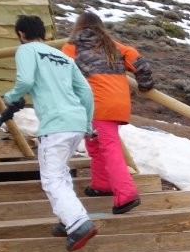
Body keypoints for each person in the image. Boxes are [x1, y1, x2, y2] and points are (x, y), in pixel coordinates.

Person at [1, 15, 97, 251]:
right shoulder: (63, 57)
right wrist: (87, 123)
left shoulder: (26, 50)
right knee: (61, 173)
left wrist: (11, 97)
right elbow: (86, 91)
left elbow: (25, 80)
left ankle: (78, 223)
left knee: (51, 178)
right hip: (75, 121)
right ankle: (67, 220)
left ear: (21, 34)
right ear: (43, 33)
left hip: (55, 124)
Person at [61, 11, 152, 214]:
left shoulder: (72, 47)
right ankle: (102, 185)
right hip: (118, 103)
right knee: (95, 145)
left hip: (96, 105)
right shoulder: (113, 45)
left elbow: (62, 75)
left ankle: (126, 194)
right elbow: (136, 58)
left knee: (109, 148)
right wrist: (145, 84)